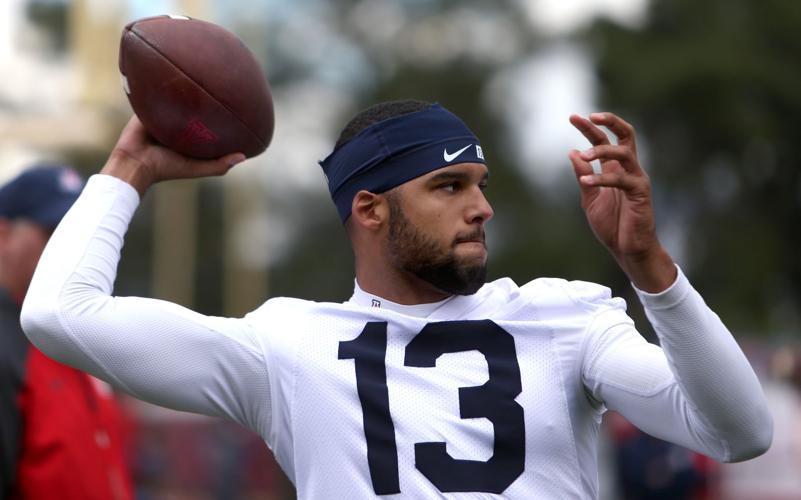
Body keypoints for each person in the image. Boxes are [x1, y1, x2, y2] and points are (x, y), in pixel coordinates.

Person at [20, 101, 771, 498]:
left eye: (480, 184)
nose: (480, 207)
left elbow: (739, 433)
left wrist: (648, 265)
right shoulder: (285, 346)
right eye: (448, 186)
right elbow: (58, 313)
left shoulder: (565, 317)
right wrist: (129, 167)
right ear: (370, 209)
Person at [0, 166, 134, 499]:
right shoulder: (8, 344)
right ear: (3, 236)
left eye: (79, 233)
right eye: (54, 232)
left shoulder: (80, 330)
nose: (72, 248)